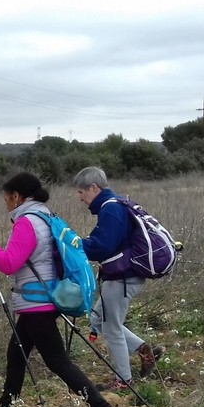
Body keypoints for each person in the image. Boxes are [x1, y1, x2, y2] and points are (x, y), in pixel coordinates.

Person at [0, 172, 129, 407]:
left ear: (17, 196)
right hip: (42, 300)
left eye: (7, 198)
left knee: (58, 362)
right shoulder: (46, 216)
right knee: (16, 354)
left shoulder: (27, 223)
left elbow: (9, 263)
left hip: (36, 303)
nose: (6, 203)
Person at [72, 166, 165, 390]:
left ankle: (123, 381)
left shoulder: (110, 209)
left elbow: (102, 247)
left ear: (94, 187)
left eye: (81, 192)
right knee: (97, 319)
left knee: (112, 327)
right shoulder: (115, 204)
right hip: (123, 276)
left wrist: (73, 244)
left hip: (122, 278)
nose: (81, 198)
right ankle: (145, 350)